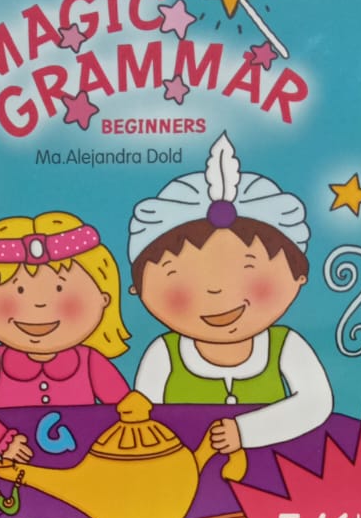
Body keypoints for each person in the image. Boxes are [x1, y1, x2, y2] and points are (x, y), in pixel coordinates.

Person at [129, 131, 333, 454]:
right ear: (139, 289)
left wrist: (245, 432)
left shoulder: (285, 346)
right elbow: (144, 420)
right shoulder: (163, 354)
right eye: (180, 277)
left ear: (299, 276)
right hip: (185, 475)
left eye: (248, 269)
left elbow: (316, 402)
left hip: (277, 474)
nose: (216, 289)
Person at [0, 211, 130, 462]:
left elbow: (127, 406)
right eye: (19, 290)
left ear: (104, 298)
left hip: (86, 462)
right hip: (14, 466)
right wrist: (0, 439)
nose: (39, 305)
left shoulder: (90, 362)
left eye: (59, 288)